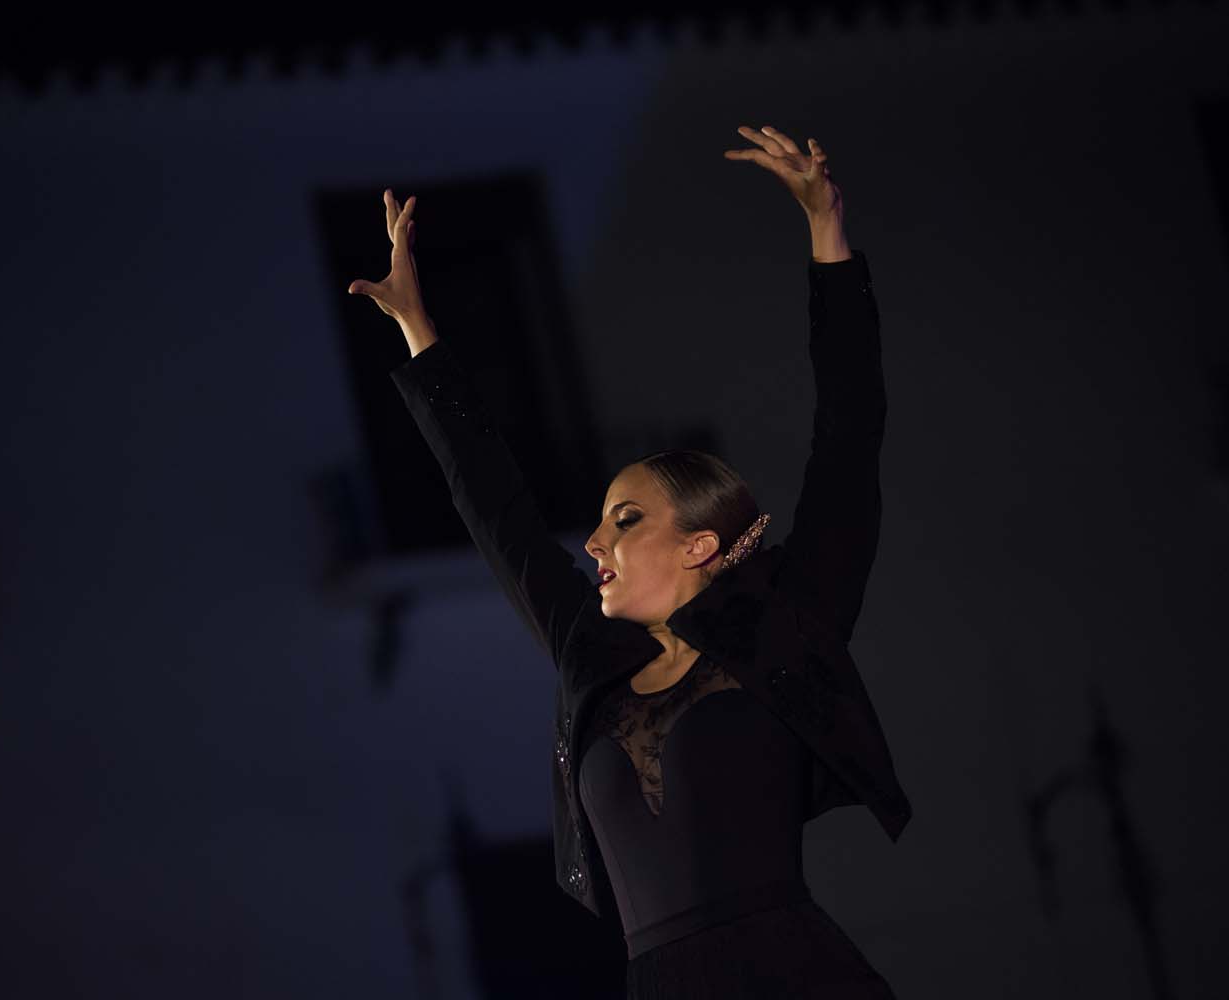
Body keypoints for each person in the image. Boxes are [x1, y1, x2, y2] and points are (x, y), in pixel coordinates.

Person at [349, 124, 912, 998]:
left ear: (700, 545)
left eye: (624, 519)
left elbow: (849, 440)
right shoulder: (591, 661)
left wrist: (827, 234)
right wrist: (419, 330)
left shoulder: (786, 621)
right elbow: (496, 511)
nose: (595, 543)